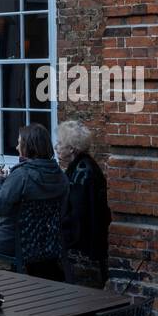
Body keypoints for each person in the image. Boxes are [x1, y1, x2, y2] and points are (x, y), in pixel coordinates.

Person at [0, 123, 69, 274]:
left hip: (10, 239)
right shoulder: (60, 175)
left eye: (19, 143)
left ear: (29, 147)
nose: (16, 147)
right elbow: (62, 212)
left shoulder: (21, 175)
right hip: (45, 243)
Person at [57, 119, 112, 283]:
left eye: (60, 143)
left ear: (71, 149)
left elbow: (76, 215)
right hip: (91, 230)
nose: (56, 147)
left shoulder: (81, 171)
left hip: (84, 234)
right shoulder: (85, 165)